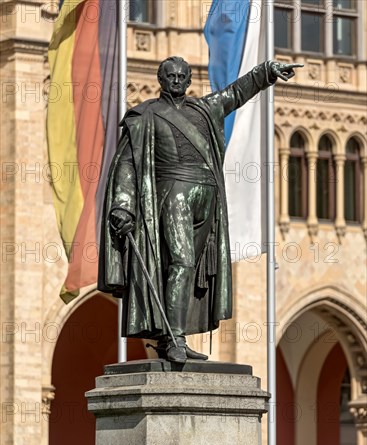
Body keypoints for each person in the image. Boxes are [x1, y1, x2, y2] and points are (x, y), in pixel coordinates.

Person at [98, 57, 302, 363]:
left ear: (190, 80)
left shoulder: (204, 110)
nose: (177, 80)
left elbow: (236, 92)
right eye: (171, 76)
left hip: (207, 200)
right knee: (180, 262)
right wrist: (123, 205)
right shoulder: (145, 116)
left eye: (182, 76)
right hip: (173, 195)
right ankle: (174, 338)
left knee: (190, 270)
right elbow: (127, 163)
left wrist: (266, 72)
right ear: (161, 79)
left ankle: (175, 335)